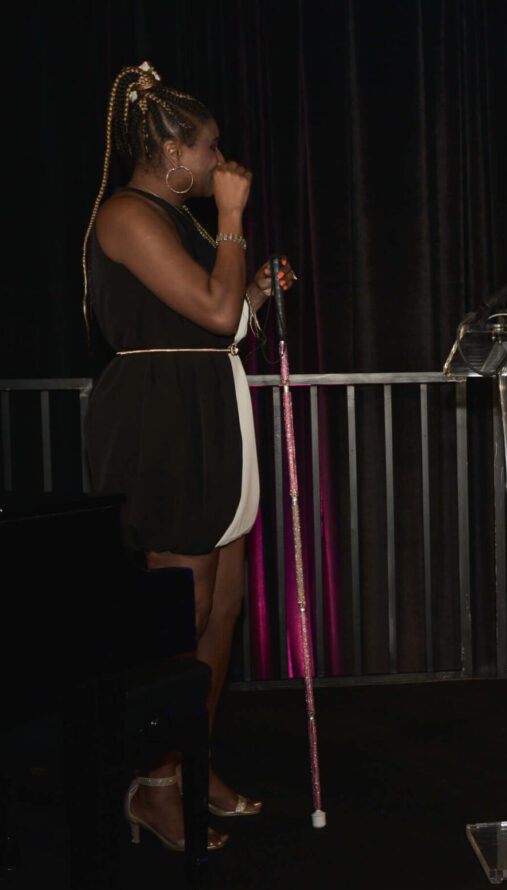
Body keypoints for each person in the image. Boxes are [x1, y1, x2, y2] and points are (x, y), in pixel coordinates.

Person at [81, 62, 294, 851]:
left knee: (226, 604)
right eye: (207, 150)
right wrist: (235, 219)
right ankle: (154, 783)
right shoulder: (128, 215)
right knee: (186, 611)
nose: (217, 164)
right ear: (170, 150)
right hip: (161, 424)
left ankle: (190, 761)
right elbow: (208, 305)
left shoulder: (178, 219)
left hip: (206, 409)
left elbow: (218, 316)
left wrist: (257, 294)